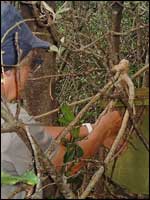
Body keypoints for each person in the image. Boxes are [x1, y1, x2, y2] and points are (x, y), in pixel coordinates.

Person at [1, 2, 123, 199]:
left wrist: (91, 128)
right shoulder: (10, 123)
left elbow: (33, 135)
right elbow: (66, 162)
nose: (31, 72)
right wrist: (102, 130)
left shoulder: (11, 118)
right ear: (6, 71)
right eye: (30, 64)